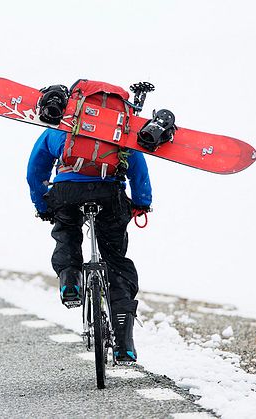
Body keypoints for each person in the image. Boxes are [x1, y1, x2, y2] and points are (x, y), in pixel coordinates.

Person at [26, 127, 152, 363]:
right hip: (110, 192)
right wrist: (142, 202)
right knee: (115, 260)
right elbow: (137, 165)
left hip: (67, 192)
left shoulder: (62, 125)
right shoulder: (120, 125)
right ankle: (124, 342)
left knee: (67, 233)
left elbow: (36, 167)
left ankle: (70, 279)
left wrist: (42, 205)